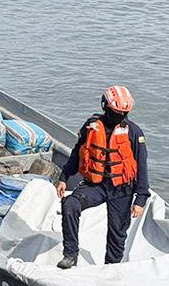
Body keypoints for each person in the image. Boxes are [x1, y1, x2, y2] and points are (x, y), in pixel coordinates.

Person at [56, 85, 150, 269]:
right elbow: (78, 153)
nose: (120, 116)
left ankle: (110, 268)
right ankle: (70, 254)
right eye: (116, 112)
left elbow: (142, 165)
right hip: (95, 185)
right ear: (105, 106)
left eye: (124, 113)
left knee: (117, 233)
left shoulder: (134, 132)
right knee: (70, 204)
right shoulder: (91, 126)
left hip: (122, 189)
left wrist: (140, 199)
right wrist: (64, 176)